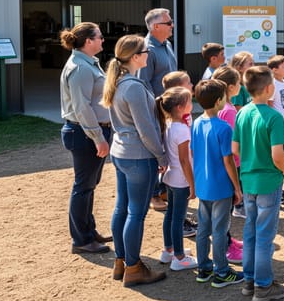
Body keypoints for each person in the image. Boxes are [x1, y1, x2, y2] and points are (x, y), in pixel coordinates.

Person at [101, 34, 167, 287]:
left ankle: (122, 261)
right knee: (136, 213)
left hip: (121, 152)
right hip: (138, 155)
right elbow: (146, 128)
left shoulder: (118, 82)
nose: (149, 54)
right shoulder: (135, 87)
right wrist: (160, 154)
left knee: (123, 208)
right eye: (146, 51)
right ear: (136, 57)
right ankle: (133, 267)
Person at [232, 66, 284, 301]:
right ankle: (264, 286)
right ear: (269, 89)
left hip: (248, 180)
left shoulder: (242, 113)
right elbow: (278, 154)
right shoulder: (274, 117)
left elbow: (235, 149)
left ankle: (249, 280)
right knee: (265, 235)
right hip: (269, 180)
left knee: (250, 231)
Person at [59, 22, 112, 254]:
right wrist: (98, 137)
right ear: (88, 41)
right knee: (83, 186)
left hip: (89, 132)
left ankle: (89, 231)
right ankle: (81, 239)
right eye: (99, 37)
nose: (102, 40)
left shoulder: (87, 63)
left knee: (89, 185)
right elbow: (82, 108)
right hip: (85, 133)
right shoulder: (80, 68)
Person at [191, 79, 245, 288]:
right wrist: (237, 187)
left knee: (204, 228)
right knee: (220, 230)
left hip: (204, 184)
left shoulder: (196, 122)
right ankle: (222, 271)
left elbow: (195, 152)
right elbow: (228, 160)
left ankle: (204, 268)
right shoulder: (223, 128)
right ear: (218, 101)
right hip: (221, 186)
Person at [137, 8, 177, 213]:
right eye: (169, 23)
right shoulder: (147, 49)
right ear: (156, 27)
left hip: (170, 109)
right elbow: (144, 84)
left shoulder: (167, 44)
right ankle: (153, 193)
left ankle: (161, 188)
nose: (172, 25)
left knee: (168, 147)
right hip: (157, 110)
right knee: (156, 149)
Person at [156, 86, 198, 271]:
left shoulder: (169, 124)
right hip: (180, 180)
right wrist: (192, 184)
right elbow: (184, 160)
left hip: (170, 177)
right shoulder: (181, 129)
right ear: (180, 107)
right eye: (189, 101)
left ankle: (169, 250)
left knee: (171, 215)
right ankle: (179, 257)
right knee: (178, 218)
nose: (192, 104)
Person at [209, 65, 246, 260]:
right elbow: (233, 145)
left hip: (222, 166)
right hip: (232, 166)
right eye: (239, 82)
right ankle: (225, 247)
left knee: (225, 209)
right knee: (226, 210)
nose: (241, 85)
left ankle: (228, 240)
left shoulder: (221, 108)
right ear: (231, 87)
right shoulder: (229, 111)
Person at [267, 54, 284, 205]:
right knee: (277, 159)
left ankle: (280, 188)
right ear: (274, 70)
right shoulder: (272, 85)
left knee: (282, 156)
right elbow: (270, 106)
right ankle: (275, 190)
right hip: (277, 128)